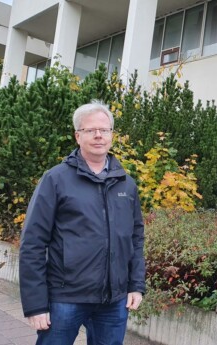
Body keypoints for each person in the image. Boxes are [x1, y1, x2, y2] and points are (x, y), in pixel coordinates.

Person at [19, 100, 146, 345]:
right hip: (65, 298)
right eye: (91, 130)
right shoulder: (55, 179)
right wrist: (35, 305)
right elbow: (33, 242)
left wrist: (136, 285)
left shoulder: (126, 184)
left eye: (105, 130)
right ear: (78, 136)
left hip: (113, 301)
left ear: (111, 135)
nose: (99, 135)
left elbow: (135, 239)